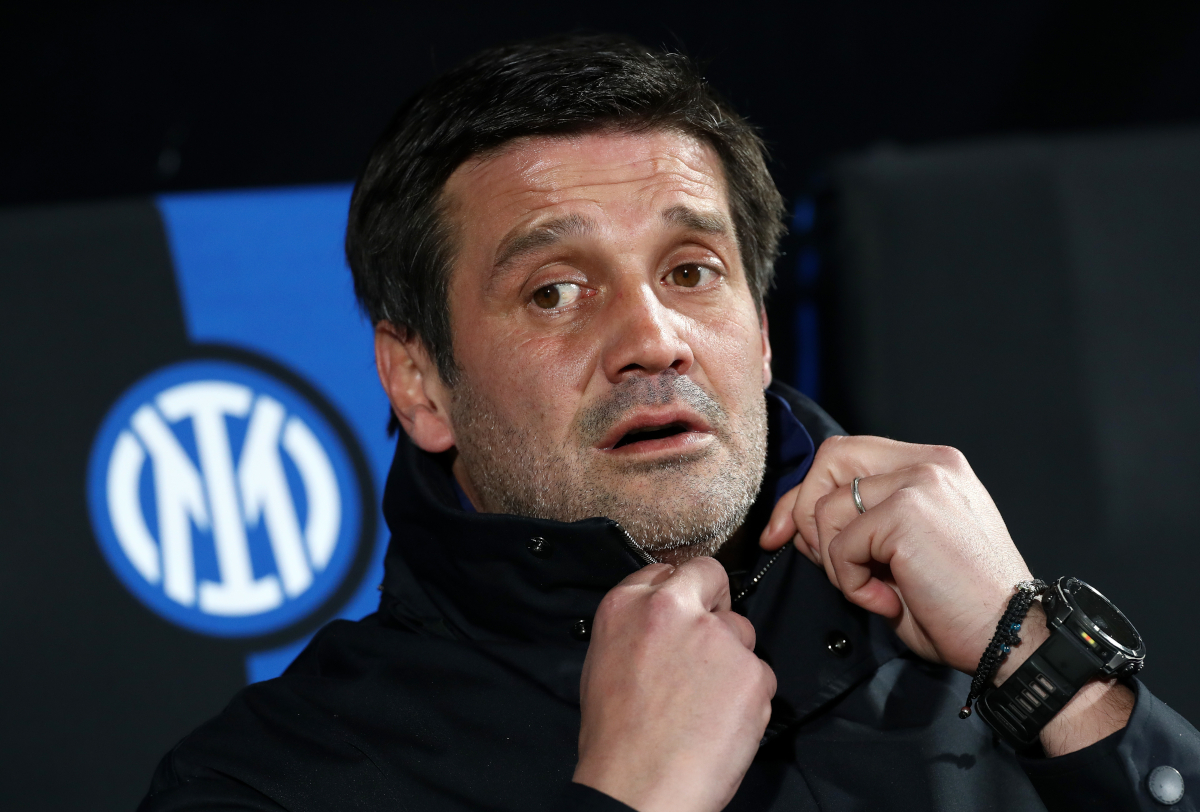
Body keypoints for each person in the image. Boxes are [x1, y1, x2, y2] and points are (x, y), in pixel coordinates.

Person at [138, 35, 1198, 812]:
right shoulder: (267, 782)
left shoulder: (973, 649)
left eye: (692, 272)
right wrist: (633, 797)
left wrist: (1043, 664)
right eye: (555, 291)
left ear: (763, 332)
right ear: (418, 382)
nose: (654, 337)